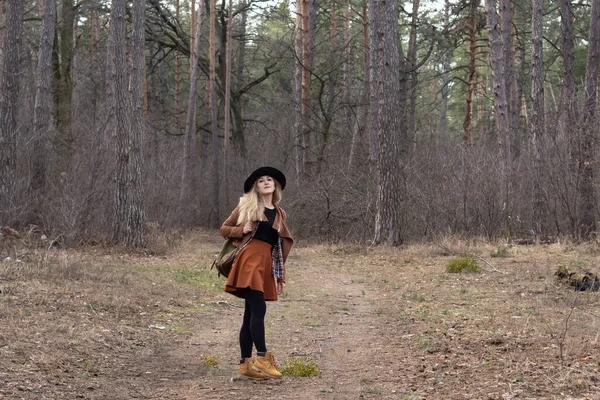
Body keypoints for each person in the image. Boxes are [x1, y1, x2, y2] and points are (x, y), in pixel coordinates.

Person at [220, 167, 294, 380]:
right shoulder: (247, 205)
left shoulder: (280, 213)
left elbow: (277, 248)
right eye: (261, 180)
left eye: (269, 179)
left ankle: (245, 365)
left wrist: (280, 275)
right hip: (249, 259)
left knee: (249, 314)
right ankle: (262, 357)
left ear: (276, 186)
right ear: (257, 187)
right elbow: (224, 228)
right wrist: (241, 230)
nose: (266, 182)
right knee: (258, 308)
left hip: (265, 262)